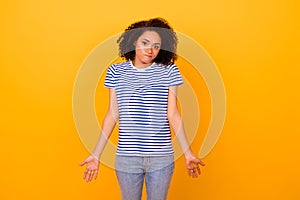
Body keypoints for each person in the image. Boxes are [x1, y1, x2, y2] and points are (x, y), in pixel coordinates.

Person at [79, 17, 205, 200]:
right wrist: (96, 154)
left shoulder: (169, 70)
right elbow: (113, 114)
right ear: (133, 41)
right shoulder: (116, 71)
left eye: (156, 45)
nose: (150, 49)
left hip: (160, 158)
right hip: (127, 158)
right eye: (145, 43)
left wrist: (188, 153)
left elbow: (173, 113)